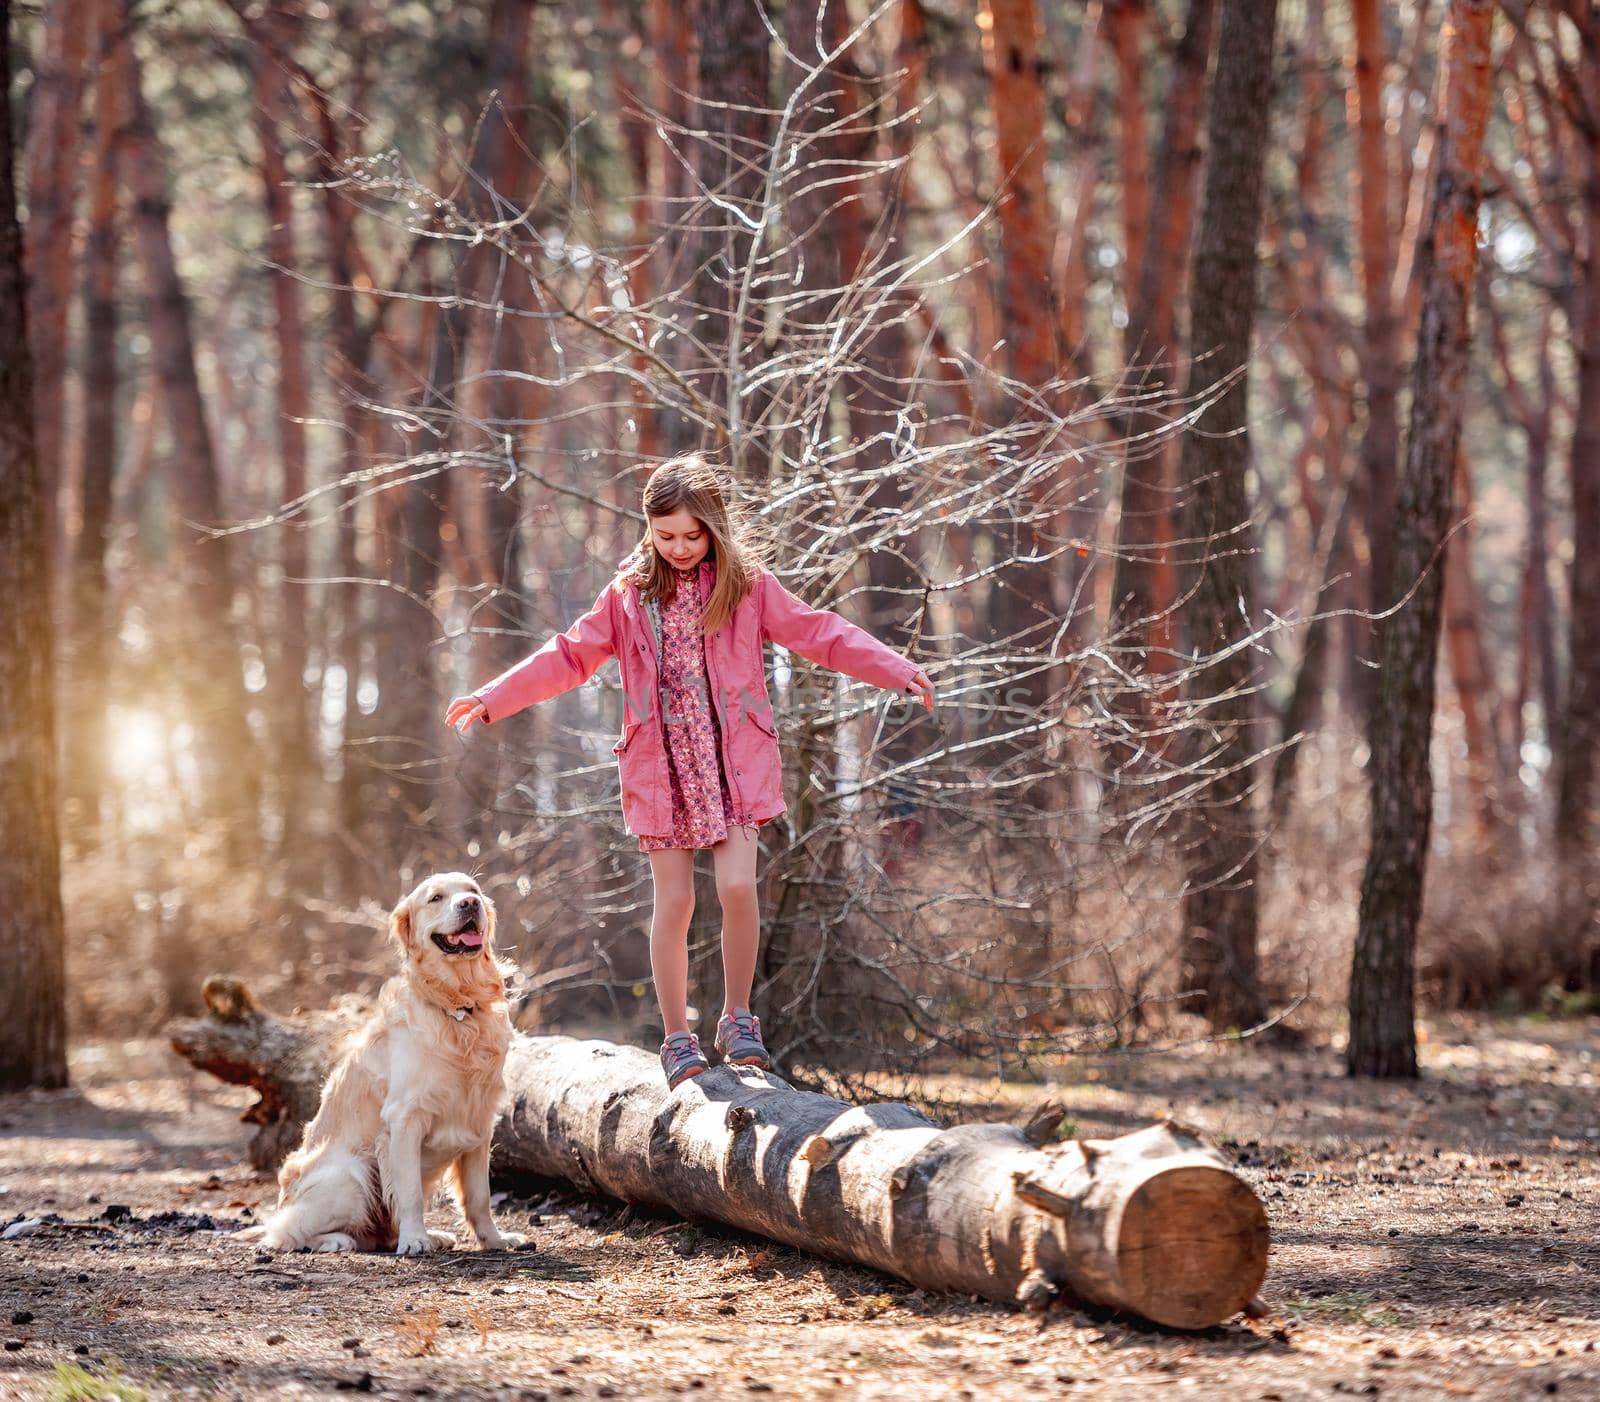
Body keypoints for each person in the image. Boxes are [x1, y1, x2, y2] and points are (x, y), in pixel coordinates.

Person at [445, 455, 934, 1088]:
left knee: (736, 887)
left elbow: (820, 633)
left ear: (714, 530)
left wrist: (895, 668)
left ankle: (738, 1019)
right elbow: (569, 655)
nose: (678, 548)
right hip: (663, 768)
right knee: (674, 900)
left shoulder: (748, 587)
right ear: (648, 529)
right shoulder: (627, 596)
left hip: (734, 763)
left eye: (691, 536)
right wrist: (493, 697)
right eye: (665, 535)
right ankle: (677, 1036)